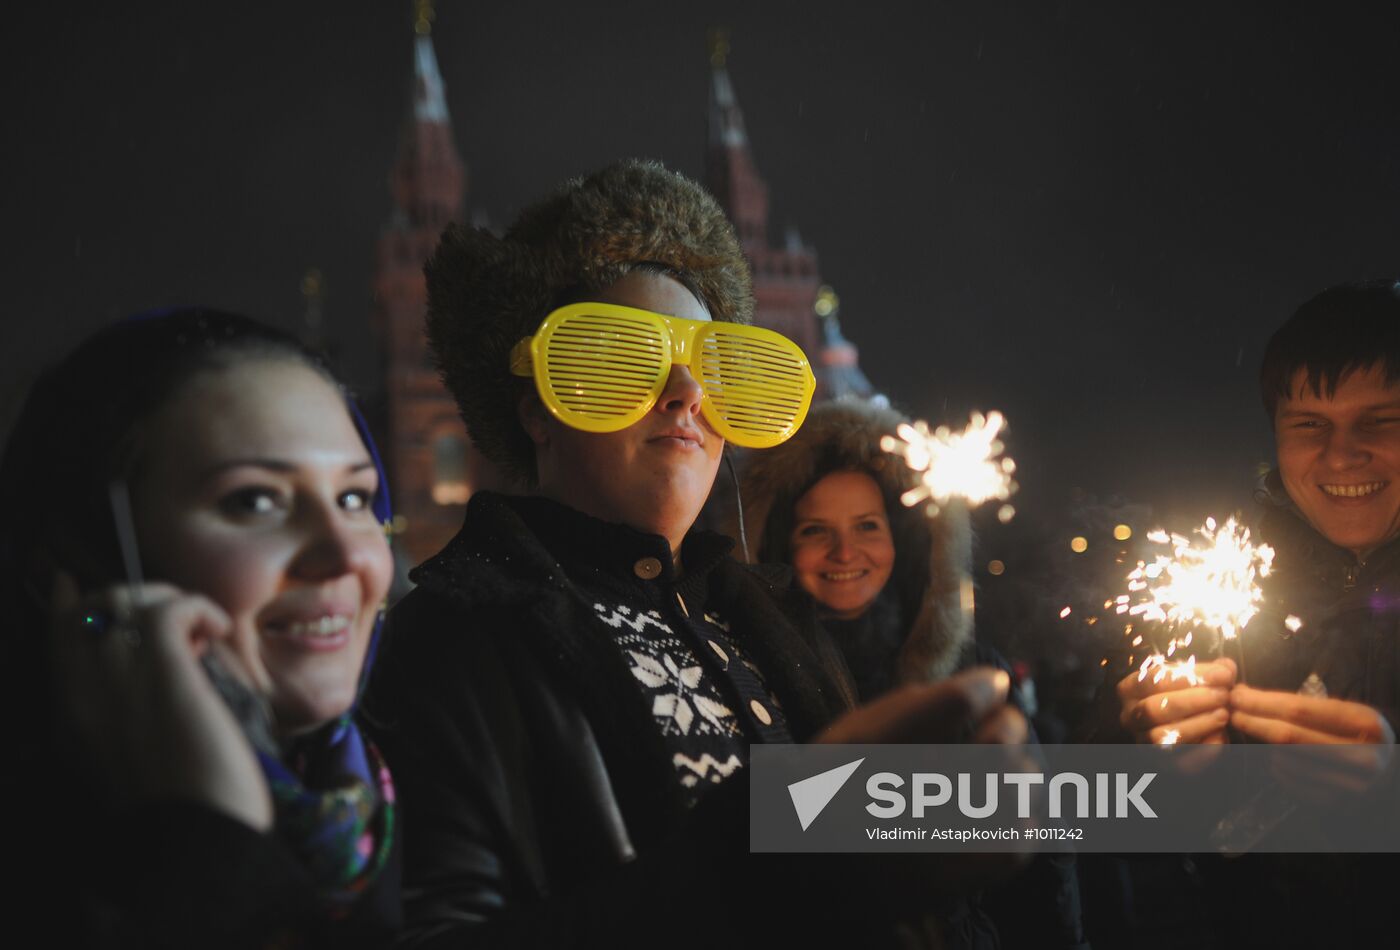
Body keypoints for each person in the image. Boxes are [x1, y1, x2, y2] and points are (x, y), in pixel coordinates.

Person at [363, 159, 1029, 949]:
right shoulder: (454, 640)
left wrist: (1182, 793)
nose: (685, 394)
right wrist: (760, 860)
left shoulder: (774, 619)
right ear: (537, 408)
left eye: (715, 370)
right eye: (620, 360)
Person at [1, 308, 399, 948]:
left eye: (353, 499)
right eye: (255, 500)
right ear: (90, 558)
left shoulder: (395, 799)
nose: (346, 556)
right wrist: (210, 844)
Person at [1089, 279, 1400, 947]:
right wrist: (1158, 764)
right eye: (1309, 425)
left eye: (1382, 421)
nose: (1342, 454)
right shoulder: (1227, 590)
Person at [739, 398, 1087, 949]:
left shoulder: (969, 669)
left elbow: (1042, 857)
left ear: (903, 537)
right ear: (779, 541)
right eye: (814, 530)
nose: (844, 550)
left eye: (867, 525)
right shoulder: (744, 671)